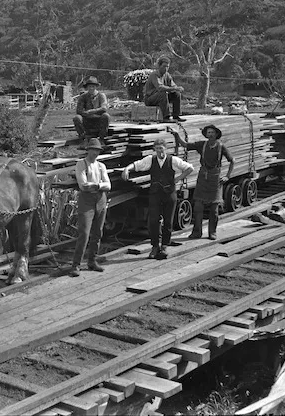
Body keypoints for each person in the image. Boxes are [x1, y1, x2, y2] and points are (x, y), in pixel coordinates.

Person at [121, 138, 193, 259]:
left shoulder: (173, 160)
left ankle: (164, 246)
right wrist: (126, 169)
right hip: (155, 194)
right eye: (158, 149)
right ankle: (155, 246)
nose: (160, 151)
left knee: (168, 222)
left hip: (169, 194)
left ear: (166, 149)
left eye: (162, 148)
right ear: (154, 149)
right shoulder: (150, 159)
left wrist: (178, 179)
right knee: (153, 221)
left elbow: (190, 168)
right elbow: (137, 165)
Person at [171, 124, 235, 240]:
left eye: (212, 133)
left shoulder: (221, 147)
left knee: (214, 209)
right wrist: (176, 134)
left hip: (215, 178)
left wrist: (227, 176)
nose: (210, 135)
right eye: (208, 133)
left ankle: (212, 232)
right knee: (198, 207)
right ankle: (197, 232)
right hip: (202, 177)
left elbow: (232, 161)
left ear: (216, 134)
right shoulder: (202, 145)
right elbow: (185, 145)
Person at [70, 138, 111, 276]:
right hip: (86, 202)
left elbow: (108, 185)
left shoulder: (101, 166)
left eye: (98, 150)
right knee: (84, 233)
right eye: (93, 150)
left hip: (100, 200)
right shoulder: (81, 164)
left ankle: (92, 261)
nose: (96, 153)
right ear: (88, 150)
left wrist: (97, 185)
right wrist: (100, 185)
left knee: (98, 232)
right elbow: (83, 185)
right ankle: (76, 265)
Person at [144, 56, 186, 123]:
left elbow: (173, 85)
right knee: (162, 93)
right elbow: (160, 87)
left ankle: (176, 115)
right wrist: (174, 88)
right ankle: (166, 117)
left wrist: (177, 88)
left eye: (167, 66)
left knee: (177, 94)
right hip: (150, 99)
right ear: (159, 66)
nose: (166, 68)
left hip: (160, 98)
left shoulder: (167, 75)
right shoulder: (154, 75)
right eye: (164, 66)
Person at [73, 77, 110, 146]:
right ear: (87, 87)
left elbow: (104, 108)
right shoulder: (83, 97)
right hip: (87, 120)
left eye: (93, 86)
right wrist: (86, 113)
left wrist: (92, 111)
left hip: (98, 120)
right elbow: (79, 110)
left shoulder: (101, 96)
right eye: (89, 87)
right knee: (77, 118)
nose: (91, 88)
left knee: (106, 116)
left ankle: (101, 139)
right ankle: (83, 138)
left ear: (96, 87)